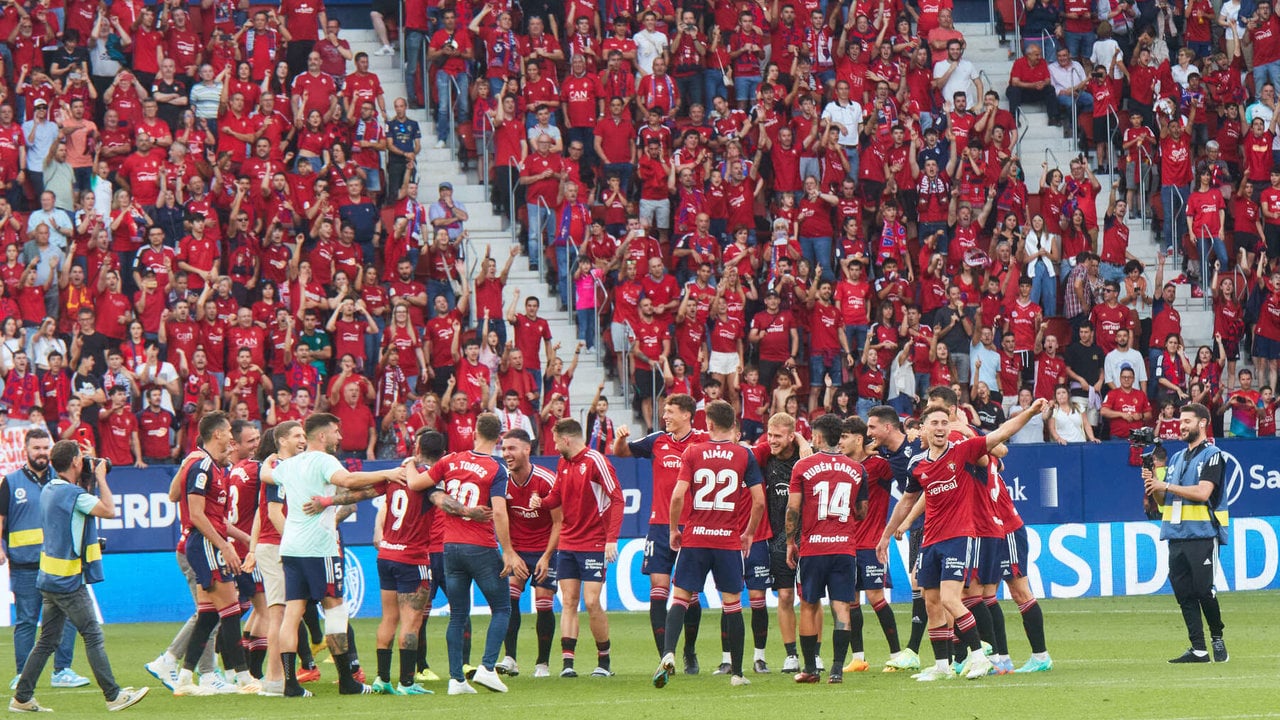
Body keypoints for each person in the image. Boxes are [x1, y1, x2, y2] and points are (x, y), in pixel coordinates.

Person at [876, 398, 1049, 681]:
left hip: (959, 537)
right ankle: (942, 665)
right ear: (924, 429)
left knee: (953, 598)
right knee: (931, 600)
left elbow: (1001, 435)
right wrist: (887, 535)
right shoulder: (917, 464)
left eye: (945, 422)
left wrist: (1029, 412)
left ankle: (981, 657)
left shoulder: (963, 451)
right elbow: (909, 499)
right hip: (930, 539)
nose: (941, 427)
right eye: (935, 423)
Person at [266, 412, 405, 697]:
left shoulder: (289, 464)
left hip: (291, 546)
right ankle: (347, 680)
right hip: (319, 548)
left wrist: (267, 462)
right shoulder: (324, 460)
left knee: (293, 613)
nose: (340, 437)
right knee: (335, 607)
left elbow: (265, 473)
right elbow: (349, 479)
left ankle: (291, 685)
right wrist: (388, 473)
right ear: (322, 435)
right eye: (336, 432)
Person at [8, 440, 149, 713]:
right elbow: (109, 510)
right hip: (68, 581)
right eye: (80, 458)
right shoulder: (72, 495)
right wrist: (100, 477)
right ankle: (113, 696)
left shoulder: (50, 488)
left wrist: (89, 473)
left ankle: (22, 698)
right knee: (93, 634)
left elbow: (78, 503)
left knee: (47, 640)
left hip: (49, 577)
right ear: (74, 462)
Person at [651, 400, 765, 689]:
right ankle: (738, 673)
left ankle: (668, 654)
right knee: (732, 606)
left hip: (696, 537)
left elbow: (677, 497)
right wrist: (749, 533)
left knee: (679, 598)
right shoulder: (743, 454)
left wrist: (675, 529)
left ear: (710, 424)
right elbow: (759, 501)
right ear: (733, 425)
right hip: (727, 541)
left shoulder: (693, 452)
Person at [426, 413, 523, 695]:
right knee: (502, 608)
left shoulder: (451, 460)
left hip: (449, 547)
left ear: (474, 432)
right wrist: (508, 552)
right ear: (499, 437)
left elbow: (421, 484)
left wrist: (408, 468)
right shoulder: (496, 469)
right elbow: (500, 512)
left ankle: (456, 680)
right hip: (479, 546)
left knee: (457, 615)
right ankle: (488, 668)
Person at [169, 411, 261, 697]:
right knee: (231, 608)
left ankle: (184, 677)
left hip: (207, 543)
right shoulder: (200, 466)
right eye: (229, 432)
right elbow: (196, 514)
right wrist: (223, 545)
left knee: (209, 613)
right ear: (217, 434)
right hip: (205, 544)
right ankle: (244, 678)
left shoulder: (210, 465)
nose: (232, 437)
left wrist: (241, 538)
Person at [612, 394, 707, 671]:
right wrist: (620, 438)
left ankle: (689, 651)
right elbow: (621, 452)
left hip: (692, 527)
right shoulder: (657, 440)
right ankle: (665, 657)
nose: (665, 416)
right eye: (664, 411)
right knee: (658, 590)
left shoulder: (702, 441)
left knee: (689, 595)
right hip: (659, 526)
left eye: (671, 411)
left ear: (687, 415)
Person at [0, 429, 89, 691]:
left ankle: (62, 671)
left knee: (67, 619)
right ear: (26, 450)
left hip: (58, 563)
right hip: (24, 564)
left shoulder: (62, 480)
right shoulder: (11, 482)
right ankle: (22, 674)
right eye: (36, 448)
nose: (40, 452)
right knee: (27, 620)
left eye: (44, 448)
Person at [784, 413, 869, 684]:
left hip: (813, 549)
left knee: (809, 605)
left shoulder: (802, 466)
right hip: (844, 548)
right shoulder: (858, 469)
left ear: (818, 437)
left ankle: (809, 668)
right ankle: (836, 669)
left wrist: (789, 542)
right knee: (842, 606)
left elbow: (793, 509)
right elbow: (862, 511)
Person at [1142, 403, 1230, 664]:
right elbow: (1161, 501)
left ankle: (1217, 637)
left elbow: (1203, 492)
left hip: (1202, 533)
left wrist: (1165, 483)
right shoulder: (1178, 458)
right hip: (1176, 534)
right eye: (1180, 422)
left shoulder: (1213, 454)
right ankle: (1199, 648)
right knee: (1183, 593)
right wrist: (1152, 483)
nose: (1181, 426)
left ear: (1202, 423)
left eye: (1187, 422)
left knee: (1204, 590)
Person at [541, 418, 623, 678]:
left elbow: (617, 498)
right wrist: (540, 502)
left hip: (594, 542)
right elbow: (556, 496)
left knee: (591, 601)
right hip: (568, 541)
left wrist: (611, 538)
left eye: (555, 440)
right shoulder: (563, 462)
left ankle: (604, 660)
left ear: (566, 440)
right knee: (568, 601)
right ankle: (568, 664)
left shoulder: (596, 461)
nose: (554, 446)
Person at [497, 429, 561, 678]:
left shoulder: (546, 480)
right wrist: (510, 553)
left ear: (527, 449)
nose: (506, 454)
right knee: (509, 601)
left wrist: (546, 557)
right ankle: (510, 658)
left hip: (545, 550)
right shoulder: (501, 481)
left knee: (544, 603)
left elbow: (559, 522)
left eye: (511, 448)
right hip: (518, 552)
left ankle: (542, 664)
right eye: (503, 449)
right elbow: (501, 519)